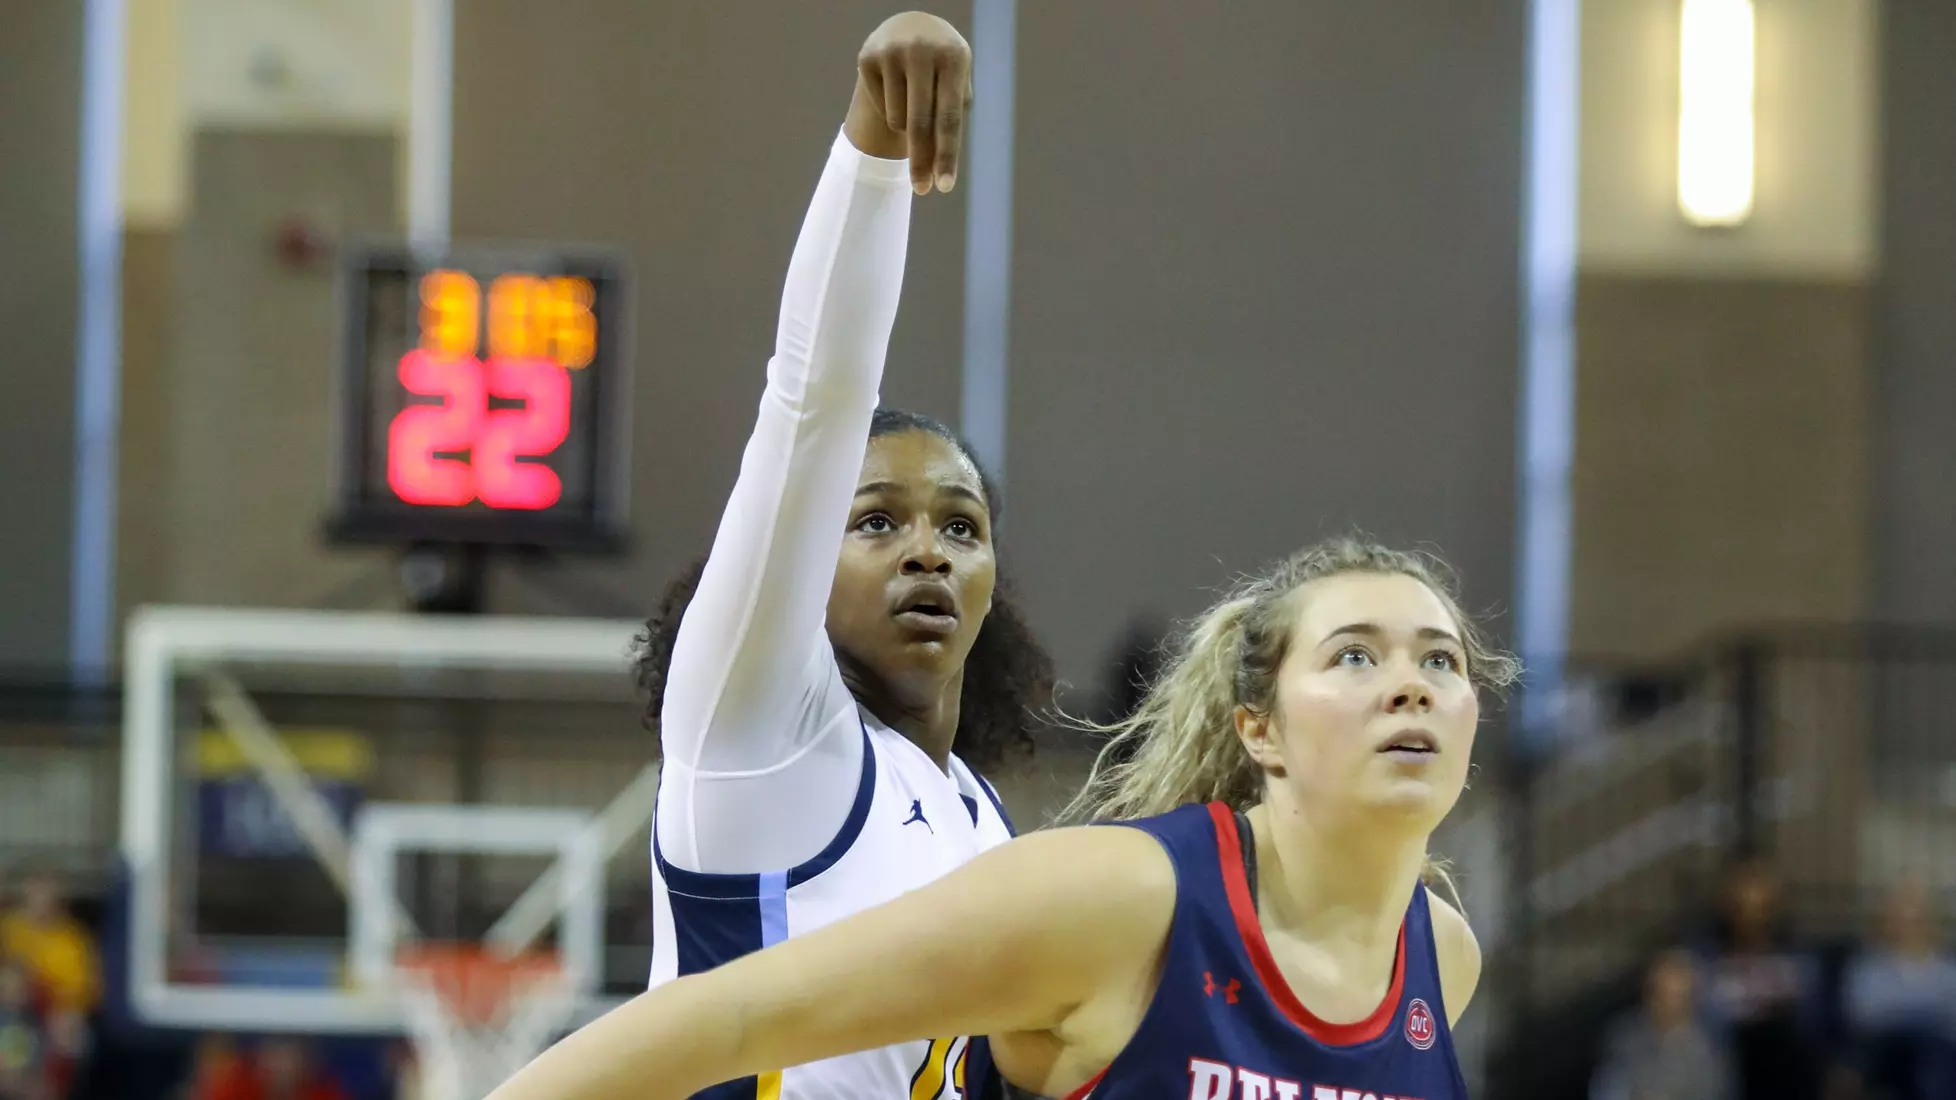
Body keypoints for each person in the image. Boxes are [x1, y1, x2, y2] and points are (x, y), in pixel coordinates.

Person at [493, 538, 1516, 1100]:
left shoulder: (1442, 956)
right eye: (1354, 655)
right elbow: (727, 1017)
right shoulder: (1121, 899)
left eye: (1441, 660)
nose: (1412, 685)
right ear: (1261, 728)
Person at [629, 10, 1053, 1100]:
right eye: (875, 522)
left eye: (960, 528)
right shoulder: (758, 729)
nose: (927, 553)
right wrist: (874, 144)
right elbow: (812, 403)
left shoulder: (979, 817)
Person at [1590, 948, 1734, 1100]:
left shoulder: (1710, 1046)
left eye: (1675, 991)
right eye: (1659, 988)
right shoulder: (1623, 1035)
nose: (1665, 998)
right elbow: (1606, 1086)